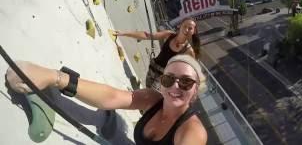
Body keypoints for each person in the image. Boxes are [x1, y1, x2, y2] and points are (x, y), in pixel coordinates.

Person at [6, 54, 207, 145]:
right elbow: (111, 96)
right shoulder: (153, 99)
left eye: (186, 82)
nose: (174, 86)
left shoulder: (193, 132)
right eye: (169, 79)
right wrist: (55, 77)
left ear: (196, 90)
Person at [114, 17, 201, 90]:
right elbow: (147, 35)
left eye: (190, 28)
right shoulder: (169, 35)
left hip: (165, 78)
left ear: (194, 31)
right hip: (153, 68)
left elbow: (192, 72)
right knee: (147, 89)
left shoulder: (189, 51)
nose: (186, 29)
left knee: (150, 94)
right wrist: (124, 33)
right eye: (185, 26)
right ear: (180, 25)